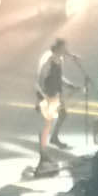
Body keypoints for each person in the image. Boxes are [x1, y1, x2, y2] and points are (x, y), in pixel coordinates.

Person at [35, 37, 78, 171]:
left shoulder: (59, 59)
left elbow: (58, 77)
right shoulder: (49, 58)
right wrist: (40, 96)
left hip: (55, 94)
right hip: (48, 94)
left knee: (58, 117)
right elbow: (41, 76)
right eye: (65, 47)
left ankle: (49, 145)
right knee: (47, 124)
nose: (67, 50)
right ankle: (42, 154)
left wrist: (70, 85)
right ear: (59, 47)